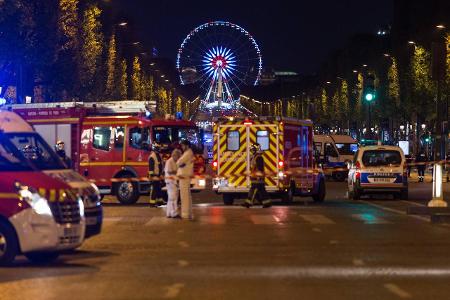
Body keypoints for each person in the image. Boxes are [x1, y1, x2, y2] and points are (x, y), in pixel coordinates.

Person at [243, 143, 272, 208]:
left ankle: (248, 203)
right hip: (257, 178)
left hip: (257, 178)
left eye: (253, 149)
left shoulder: (258, 157)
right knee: (262, 191)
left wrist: (258, 176)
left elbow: (260, 168)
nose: (252, 150)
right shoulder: (256, 157)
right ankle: (267, 203)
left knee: (253, 190)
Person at [177, 139, 194, 220]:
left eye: (183, 145)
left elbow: (179, 162)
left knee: (184, 196)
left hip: (184, 176)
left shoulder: (187, 153)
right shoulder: (188, 153)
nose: (182, 147)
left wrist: (179, 162)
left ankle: (185, 214)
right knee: (186, 195)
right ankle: (189, 213)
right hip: (185, 176)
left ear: (186, 145)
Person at [165, 149, 182, 218]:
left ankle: (169, 213)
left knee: (171, 198)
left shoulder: (175, 162)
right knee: (173, 198)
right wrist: (177, 173)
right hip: (171, 182)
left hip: (174, 182)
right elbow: (169, 171)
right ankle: (174, 213)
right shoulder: (169, 161)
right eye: (178, 157)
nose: (178, 158)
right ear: (175, 155)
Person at [148, 143, 165, 207]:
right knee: (154, 189)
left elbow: (160, 165)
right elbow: (151, 167)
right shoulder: (152, 156)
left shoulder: (158, 155)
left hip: (158, 175)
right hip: (154, 175)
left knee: (158, 188)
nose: (159, 149)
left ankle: (160, 201)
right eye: (158, 148)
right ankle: (152, 203)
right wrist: (151, 176)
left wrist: (161, 173)